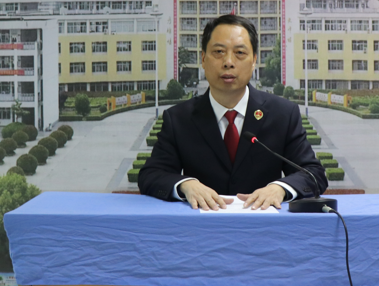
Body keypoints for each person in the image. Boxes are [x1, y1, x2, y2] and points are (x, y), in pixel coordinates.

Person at [139, 14, 327, 211]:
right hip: (200, 225)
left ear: (254, 60)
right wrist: (186, 185)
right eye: (219, 52)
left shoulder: (283, 114)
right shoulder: (179, 119)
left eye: (239, 53)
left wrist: (279, 188)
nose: (228, 62)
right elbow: (151, 175)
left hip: (265, 224)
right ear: (203, 59)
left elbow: (314, 174)